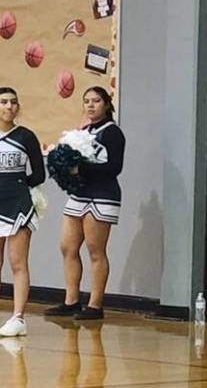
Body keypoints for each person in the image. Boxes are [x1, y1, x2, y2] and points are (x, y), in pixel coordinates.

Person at [46, 87, 124, 321]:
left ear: (106, 104)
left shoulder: (113, 133)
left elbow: (114, 168)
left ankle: (95, 305)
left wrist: (82, 169)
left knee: (95, 251)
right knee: (67, 247)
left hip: (102, 195)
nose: (91, 105)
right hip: (80, 194)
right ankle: (71, 301)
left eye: (96, 101)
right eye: (87, 101)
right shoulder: (84, 130)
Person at [0, 87, 44, 338]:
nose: (9, 107)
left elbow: (39, 174)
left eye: (13, 102)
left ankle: (18, 318)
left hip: (18, 205)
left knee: (18, 263)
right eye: (4, 102)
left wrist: (17, 187)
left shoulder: (26, 136)